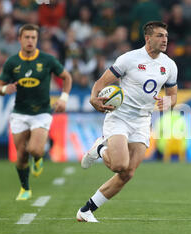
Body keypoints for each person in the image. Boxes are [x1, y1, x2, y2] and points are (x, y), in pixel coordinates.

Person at [76, 21, 178, 222]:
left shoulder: (169, 65)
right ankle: (100, 149)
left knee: (127, 174)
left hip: (142, 121)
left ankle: (86, 211)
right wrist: (93, 97)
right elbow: (101, 82)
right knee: (119, 165)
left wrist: (169, 102)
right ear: (148, 38)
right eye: (159, 35)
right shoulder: (129, 59)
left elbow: (173, 96)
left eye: (166, 35)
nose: (164, 39)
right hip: (120, 117)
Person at [0, 24, 72, 200]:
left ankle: (38, 158)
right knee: (21, 156)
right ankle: (25, 189)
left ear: (37, 40)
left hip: (42, 112)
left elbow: (67, 77)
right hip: (20, 113)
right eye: (27, 37)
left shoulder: (47, 60)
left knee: (35, 149)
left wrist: (64, 98)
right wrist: (5, 88)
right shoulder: (12, 62)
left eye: (33, 38)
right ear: (20, 39)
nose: (30, 41)